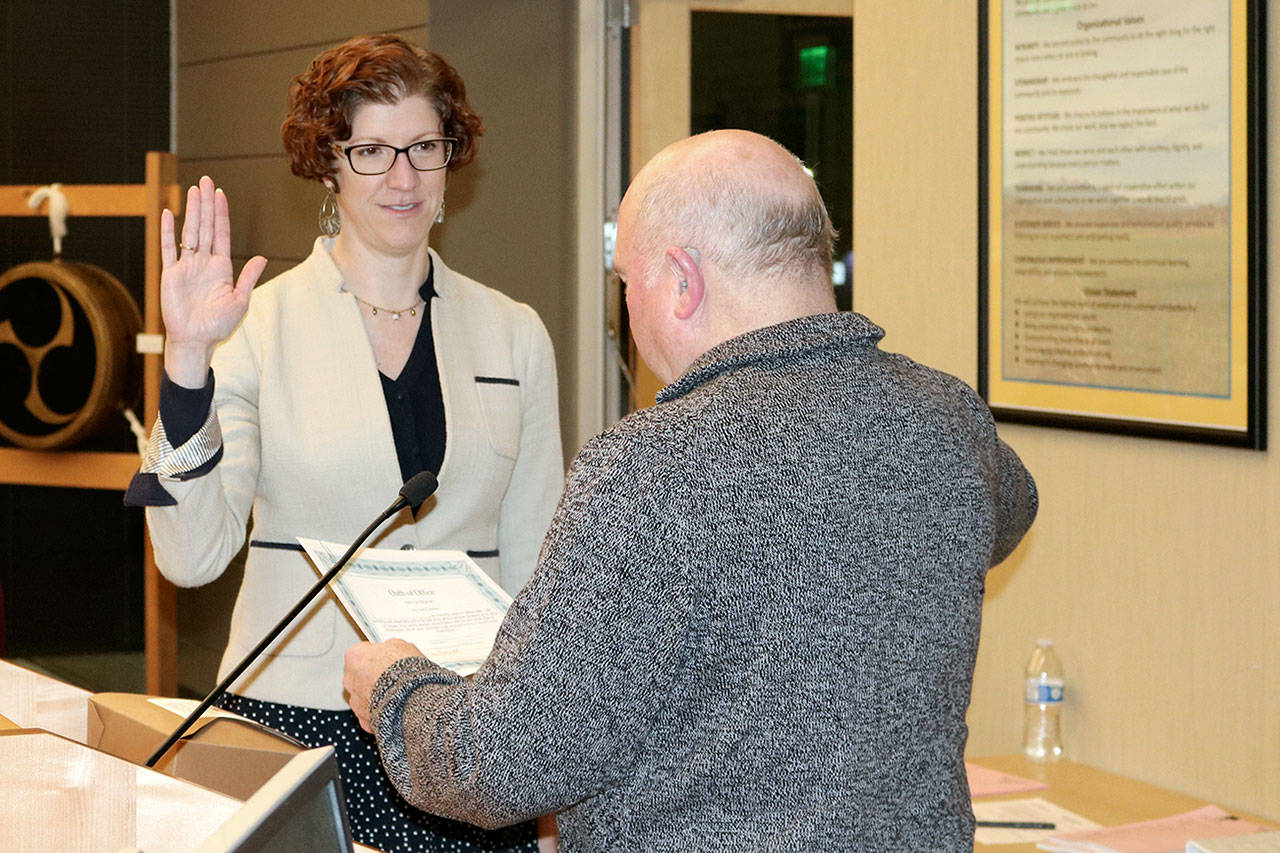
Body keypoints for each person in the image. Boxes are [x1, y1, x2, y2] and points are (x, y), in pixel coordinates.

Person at [344, 129, 1039, 851]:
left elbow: (498, 766)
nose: (629, 311)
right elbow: (1005, 513)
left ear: (682, 280)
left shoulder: (652, 465)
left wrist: (398, 686)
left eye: (626, 282)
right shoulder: (950, 417)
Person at [125, 34, 563, 853]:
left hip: (462, 733)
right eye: (371, 151)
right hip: (297, 718)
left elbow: (538, 572)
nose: (403, 178)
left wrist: (546, 800)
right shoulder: (255, 323)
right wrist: (187, 361)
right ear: (327, 163)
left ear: (450, 156)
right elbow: (190, 554)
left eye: (423, 147)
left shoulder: (516, 334)